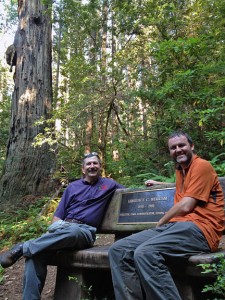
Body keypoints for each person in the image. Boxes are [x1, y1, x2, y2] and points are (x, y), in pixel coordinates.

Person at [109, 131, 225, 300]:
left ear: (192, 146)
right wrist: (160, 184)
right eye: (173, 147)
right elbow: (185, 187)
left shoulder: (202, 166)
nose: (178, 150)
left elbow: (186, 205)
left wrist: (162, 221)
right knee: (118, 249)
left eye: (182, 145)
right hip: (178, 227)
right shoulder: (182, 170)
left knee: (145, 252)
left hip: (201, 230)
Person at [0, 152, 124, 299]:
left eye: (95, 163)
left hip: (83, 232)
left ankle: (23, 247)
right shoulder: (72, 187)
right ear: (83, 169)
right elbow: (57, 217)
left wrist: (151, 184)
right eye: (88, 164)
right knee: (35, 256)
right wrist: (57, 231)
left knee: (73, 232)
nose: (92, 166)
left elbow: (131, 193)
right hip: (62, 229)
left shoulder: (109, 184)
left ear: (100, 167)